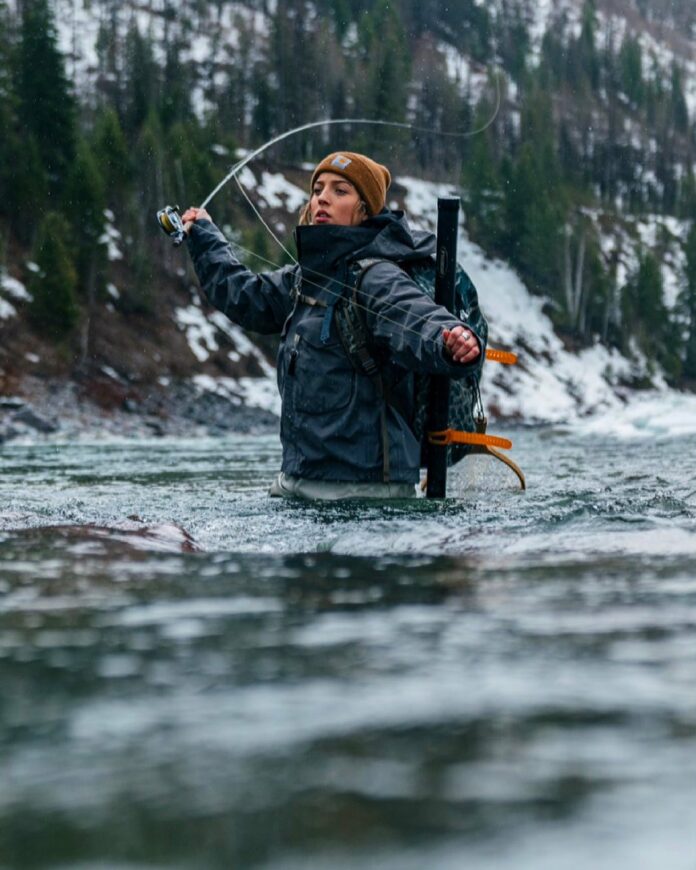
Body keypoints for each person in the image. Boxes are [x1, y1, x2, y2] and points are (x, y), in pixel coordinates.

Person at [182, 151, 487, 500]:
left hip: (366, 494)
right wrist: (205, 237)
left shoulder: (378, 277)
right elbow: (246, 298)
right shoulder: (304, 279)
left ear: (365, 209)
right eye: (317, 190)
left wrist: (451, 340)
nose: (322, 198)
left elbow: (414, 316)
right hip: (298, 483)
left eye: (340, 191)